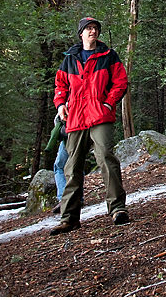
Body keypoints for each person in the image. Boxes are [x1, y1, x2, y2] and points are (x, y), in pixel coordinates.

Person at [50, 17, 130, 235]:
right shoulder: (69, 59)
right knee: (72, 167)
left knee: (106, 157)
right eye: (88, 28)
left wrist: (108, 102)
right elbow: (60, 85)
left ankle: (117, 209)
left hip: (100, 115)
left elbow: (121, 81)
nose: (93, 31)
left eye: (95, 28)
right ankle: (69, 218)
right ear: (81, 34)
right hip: (75, 118)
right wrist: (60, 105)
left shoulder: (109, 56)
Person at [43, 115, 68, 213]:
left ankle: (64, 199)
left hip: (69, 138)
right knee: (76, 166)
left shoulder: (67, 103)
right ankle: (77, 198)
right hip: (80, 136)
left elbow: (59, 119)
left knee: (59, 167)